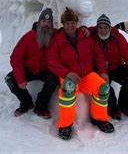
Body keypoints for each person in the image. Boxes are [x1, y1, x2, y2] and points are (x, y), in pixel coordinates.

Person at [47, 8, 114, 140]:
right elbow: (51, 61)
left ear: (76, 23)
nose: (70, 26)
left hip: (87, 75)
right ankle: (65, 125)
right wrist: (66, 73)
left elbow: (98, 56)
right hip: (69, 76)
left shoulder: (85, 38)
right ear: (63, 24)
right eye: (67, 23)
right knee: (68, 90)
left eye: (72, 22)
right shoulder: (58, 41)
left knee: (103, 88)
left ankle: (99, 119)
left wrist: (102, 72)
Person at [5, 8, 58, 119]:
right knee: (10, 79)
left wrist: (83, 29)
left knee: (52, 81)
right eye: (44, 21)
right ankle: (26, 102)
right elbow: (15, 58)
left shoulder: (55, 35)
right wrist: (20, 78)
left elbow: (69, 32)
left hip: (45, 70)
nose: (46, 24)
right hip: (29, 69)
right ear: (39, 22)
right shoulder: (28, 37)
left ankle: (40, 106)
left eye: (49, 22)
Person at [89, 14, 128, 120]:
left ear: (110, 27)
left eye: (105, 27)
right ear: (97, 28)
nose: (103, 30)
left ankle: (124, 105)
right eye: (100, 27)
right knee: (106, 87)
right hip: (100, 69)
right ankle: (112, 108)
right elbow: (81, 31)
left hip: (115, 67)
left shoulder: (117, 37)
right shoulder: (92, 36)